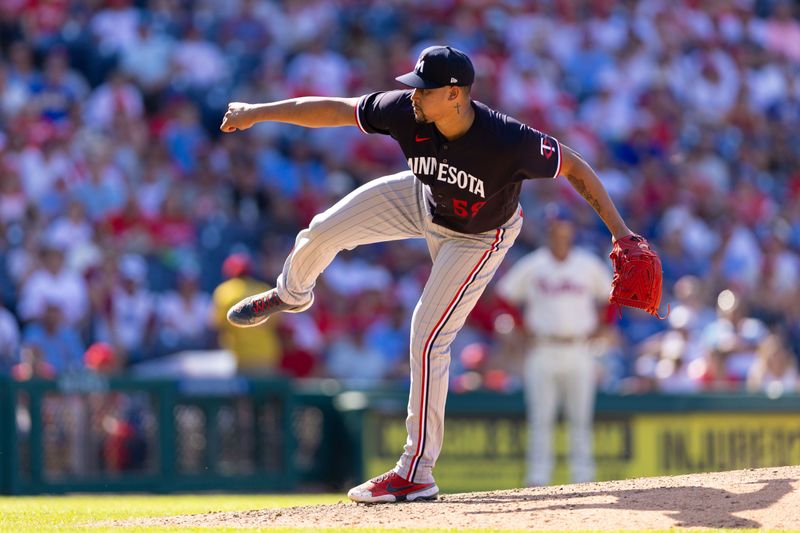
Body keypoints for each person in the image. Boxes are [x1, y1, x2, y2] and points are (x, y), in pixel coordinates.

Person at [219, 45, 635, 503]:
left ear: (456, 94)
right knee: (322, 230)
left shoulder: (507, 139)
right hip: (423, 199)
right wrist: (258, 112)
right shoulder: (406, 111)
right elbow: (336, 109)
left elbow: (574, 165)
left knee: (428, 334)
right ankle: (292, 293)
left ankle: (416, 470)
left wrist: (622, 233)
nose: (413, 95)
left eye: (425, 89)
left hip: (478, 236)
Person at [496, 215, 612, 487]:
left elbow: (612, 296)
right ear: (548, 235)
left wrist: (603, 326)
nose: (561, 239)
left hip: (579, 346)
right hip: (543, 347)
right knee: (540, 417)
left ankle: (583, 478)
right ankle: (538, 479)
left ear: (571, 235)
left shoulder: (586, 264)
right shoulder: (535, 264)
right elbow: (503, 296)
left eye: (565, 234)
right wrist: (522, 326)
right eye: (556, 234)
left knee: (580, 418)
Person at [209, 252, 282, 376]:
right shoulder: (263, 289)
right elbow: (279, 322)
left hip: (239, 356)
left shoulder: (224, 292)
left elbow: (215, 325)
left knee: (242, 394)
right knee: (264, 394)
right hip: (266, 354)